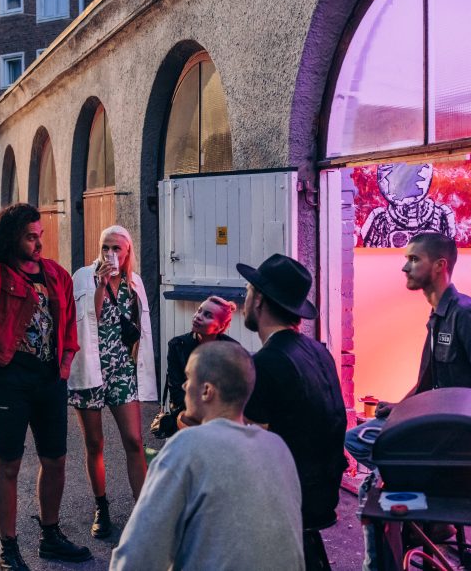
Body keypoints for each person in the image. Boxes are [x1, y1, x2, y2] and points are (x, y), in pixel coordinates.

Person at [344, 232, 471, 571]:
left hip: (462, 448)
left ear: (439, 266)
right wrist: (400, 408)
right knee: (356, 437)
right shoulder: (438, 316)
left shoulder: (465, 314)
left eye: (414, 259)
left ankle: (424, 519)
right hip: (438, 434)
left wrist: (450, 433)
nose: (404, 267)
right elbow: (428, 384)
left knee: (375, 484)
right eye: (407, 259)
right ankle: (424, 521)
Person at [0, 203, 91, 571]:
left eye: (40, 236)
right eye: (30, 237)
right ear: (12, 237)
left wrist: (65, 364)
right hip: (10, 379)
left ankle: (50, 537)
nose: (38, 243)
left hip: (49, 381)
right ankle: (9, 548)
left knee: (56, 460)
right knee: (10, 464)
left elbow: (68, 325)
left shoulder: (56, 274)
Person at [109, 341, 305, 571]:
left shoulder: (187, 447)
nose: (183, 386)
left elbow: (136, 559)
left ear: (206, 391)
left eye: (189, 377)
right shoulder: (277, 447)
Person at [238, 254, 347, 569]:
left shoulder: (266, 363)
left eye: (247, 292)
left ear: (258, 300)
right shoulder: (318, 351)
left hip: (291, 501)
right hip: (323, 493)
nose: (243, 299)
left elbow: (252, 449)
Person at [68, 225, 157, 538]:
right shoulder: (82, 276)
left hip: (120, 370)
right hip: (89, 371)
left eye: (117, 248)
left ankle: (142, 511)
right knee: (95, 444)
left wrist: (136, 367)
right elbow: (83, 321)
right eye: (106, 247)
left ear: (128, 251)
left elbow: (139, 329)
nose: (110, 254)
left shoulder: (134, 283)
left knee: (134, 441)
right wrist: (101, 284)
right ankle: (101, 507)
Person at [163, 296, 237, 430]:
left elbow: (233, 394)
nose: (198, 316)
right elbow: (176, 391)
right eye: (199, 311)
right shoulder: (177, 345)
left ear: (220, 326)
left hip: (221, 417)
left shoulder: (232, 349)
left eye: (208, 315)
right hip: (187, 412)